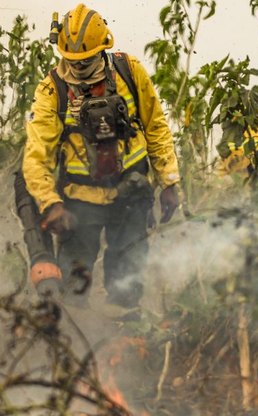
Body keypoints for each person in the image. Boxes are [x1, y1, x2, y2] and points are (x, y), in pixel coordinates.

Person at [22, 3, 181, 315]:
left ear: (103, 48)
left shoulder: (129, 71)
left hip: (131, 195)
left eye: (86, 60)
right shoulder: (52, 90)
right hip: (80, 201)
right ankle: (77, 345)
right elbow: (36, 156)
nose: (79, 68)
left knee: (127, 283)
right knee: (74, 288)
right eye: (73, 61)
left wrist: (169, 181)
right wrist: (50, 203)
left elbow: (156, 127)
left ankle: (128, 342)